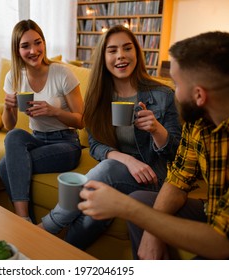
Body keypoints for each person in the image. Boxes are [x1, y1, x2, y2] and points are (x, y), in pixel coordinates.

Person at [78, 31, 229, 259]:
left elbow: (226, 242)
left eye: (177, 84)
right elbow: (178, 179)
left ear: (199, 94)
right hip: (215, 209)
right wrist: (152, 232)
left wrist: (125, 207)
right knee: (141, 199)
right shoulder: (199, 119)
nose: (174, 94)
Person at [40, 25, 181, 249]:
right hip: (120, 172)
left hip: (154, 176)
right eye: (112, 50)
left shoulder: (163, 95)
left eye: (127, 48)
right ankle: (63, 254)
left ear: (137, 53)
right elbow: (95, 143)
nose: (121, 55)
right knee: (99, 201)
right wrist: (126, 159)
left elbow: (178, 156)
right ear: (104, 57)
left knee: (105, 172)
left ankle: (46, 228)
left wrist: (157, 130)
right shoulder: (99, 94)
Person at [0, 19, 84, 222]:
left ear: (44, 43)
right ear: (17, 49)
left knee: (5, 166)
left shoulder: (62, 73)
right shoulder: (14, 77)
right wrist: (7, 106)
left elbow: (80, 121)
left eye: (38, 42)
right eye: (25, 46)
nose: (33, 50)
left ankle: (23, 222)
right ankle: (27, 220)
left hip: (66, 144)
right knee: (14, 135)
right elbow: (8, 125)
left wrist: (53, 111)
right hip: (37, 140)